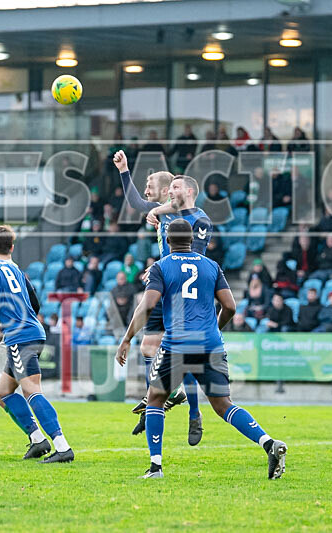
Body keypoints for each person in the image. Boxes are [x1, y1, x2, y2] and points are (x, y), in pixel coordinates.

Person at [115, 219, 287, 479]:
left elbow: (148, 305)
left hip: (178, 345)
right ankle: (268, 443)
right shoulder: (211, 266)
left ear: (168, 241)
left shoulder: (161, 267)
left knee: (155, 400)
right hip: (210, 344)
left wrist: (127, 337)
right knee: (223, 405)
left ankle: (155, 467)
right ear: (193, 240)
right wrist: (216, 329)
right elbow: (229, 306)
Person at [114, 150, 212, 444]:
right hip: (163, 283)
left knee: (187, 357)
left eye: (168, 190)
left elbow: (195, 258)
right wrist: (124, 170)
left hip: (183, 290)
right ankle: (158, 402)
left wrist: (157, 214)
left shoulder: (196, 218)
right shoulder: (163, 212)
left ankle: (195, 414)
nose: (154, 195)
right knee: (147, 346)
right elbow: (136, 203)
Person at [0, 234, 74, 463]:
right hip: (34, 331)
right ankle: (37, 440)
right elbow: (34, 304)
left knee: (32, 390)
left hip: (20, 337)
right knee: (3, 391)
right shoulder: (13, 268)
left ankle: (62, 446)